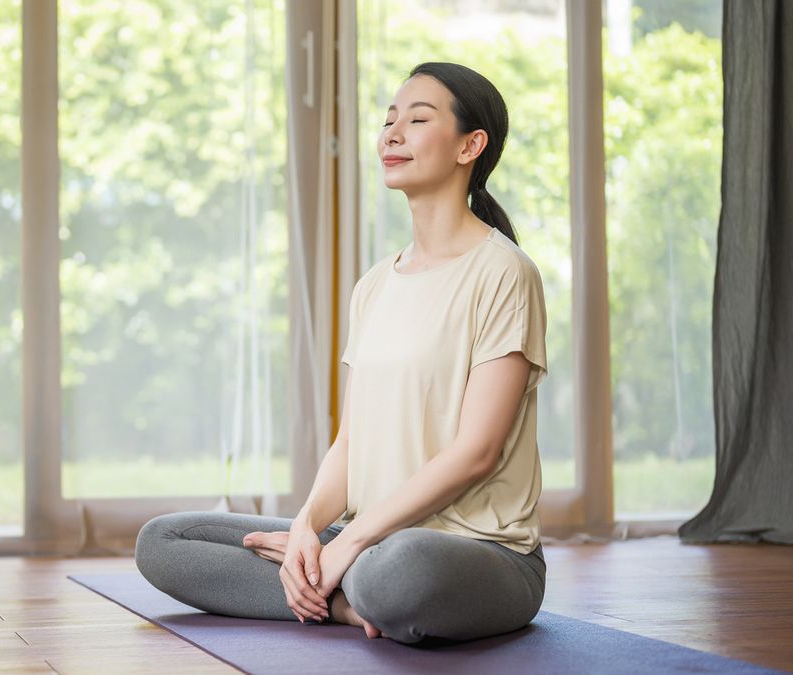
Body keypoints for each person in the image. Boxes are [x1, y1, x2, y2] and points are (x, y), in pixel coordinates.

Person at [134, 61, 548, 645]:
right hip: (369, 538)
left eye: (418, 119)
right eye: (388, 121)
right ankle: (343, 603)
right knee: (165, 541)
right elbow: (349, 444)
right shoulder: (375, 285)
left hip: (470, 554)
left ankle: (343, 586)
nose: (391, 134)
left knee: (403, 570)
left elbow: (476, 453)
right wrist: (306, 528)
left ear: (470, 145)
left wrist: (347, 544)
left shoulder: (506, 274)